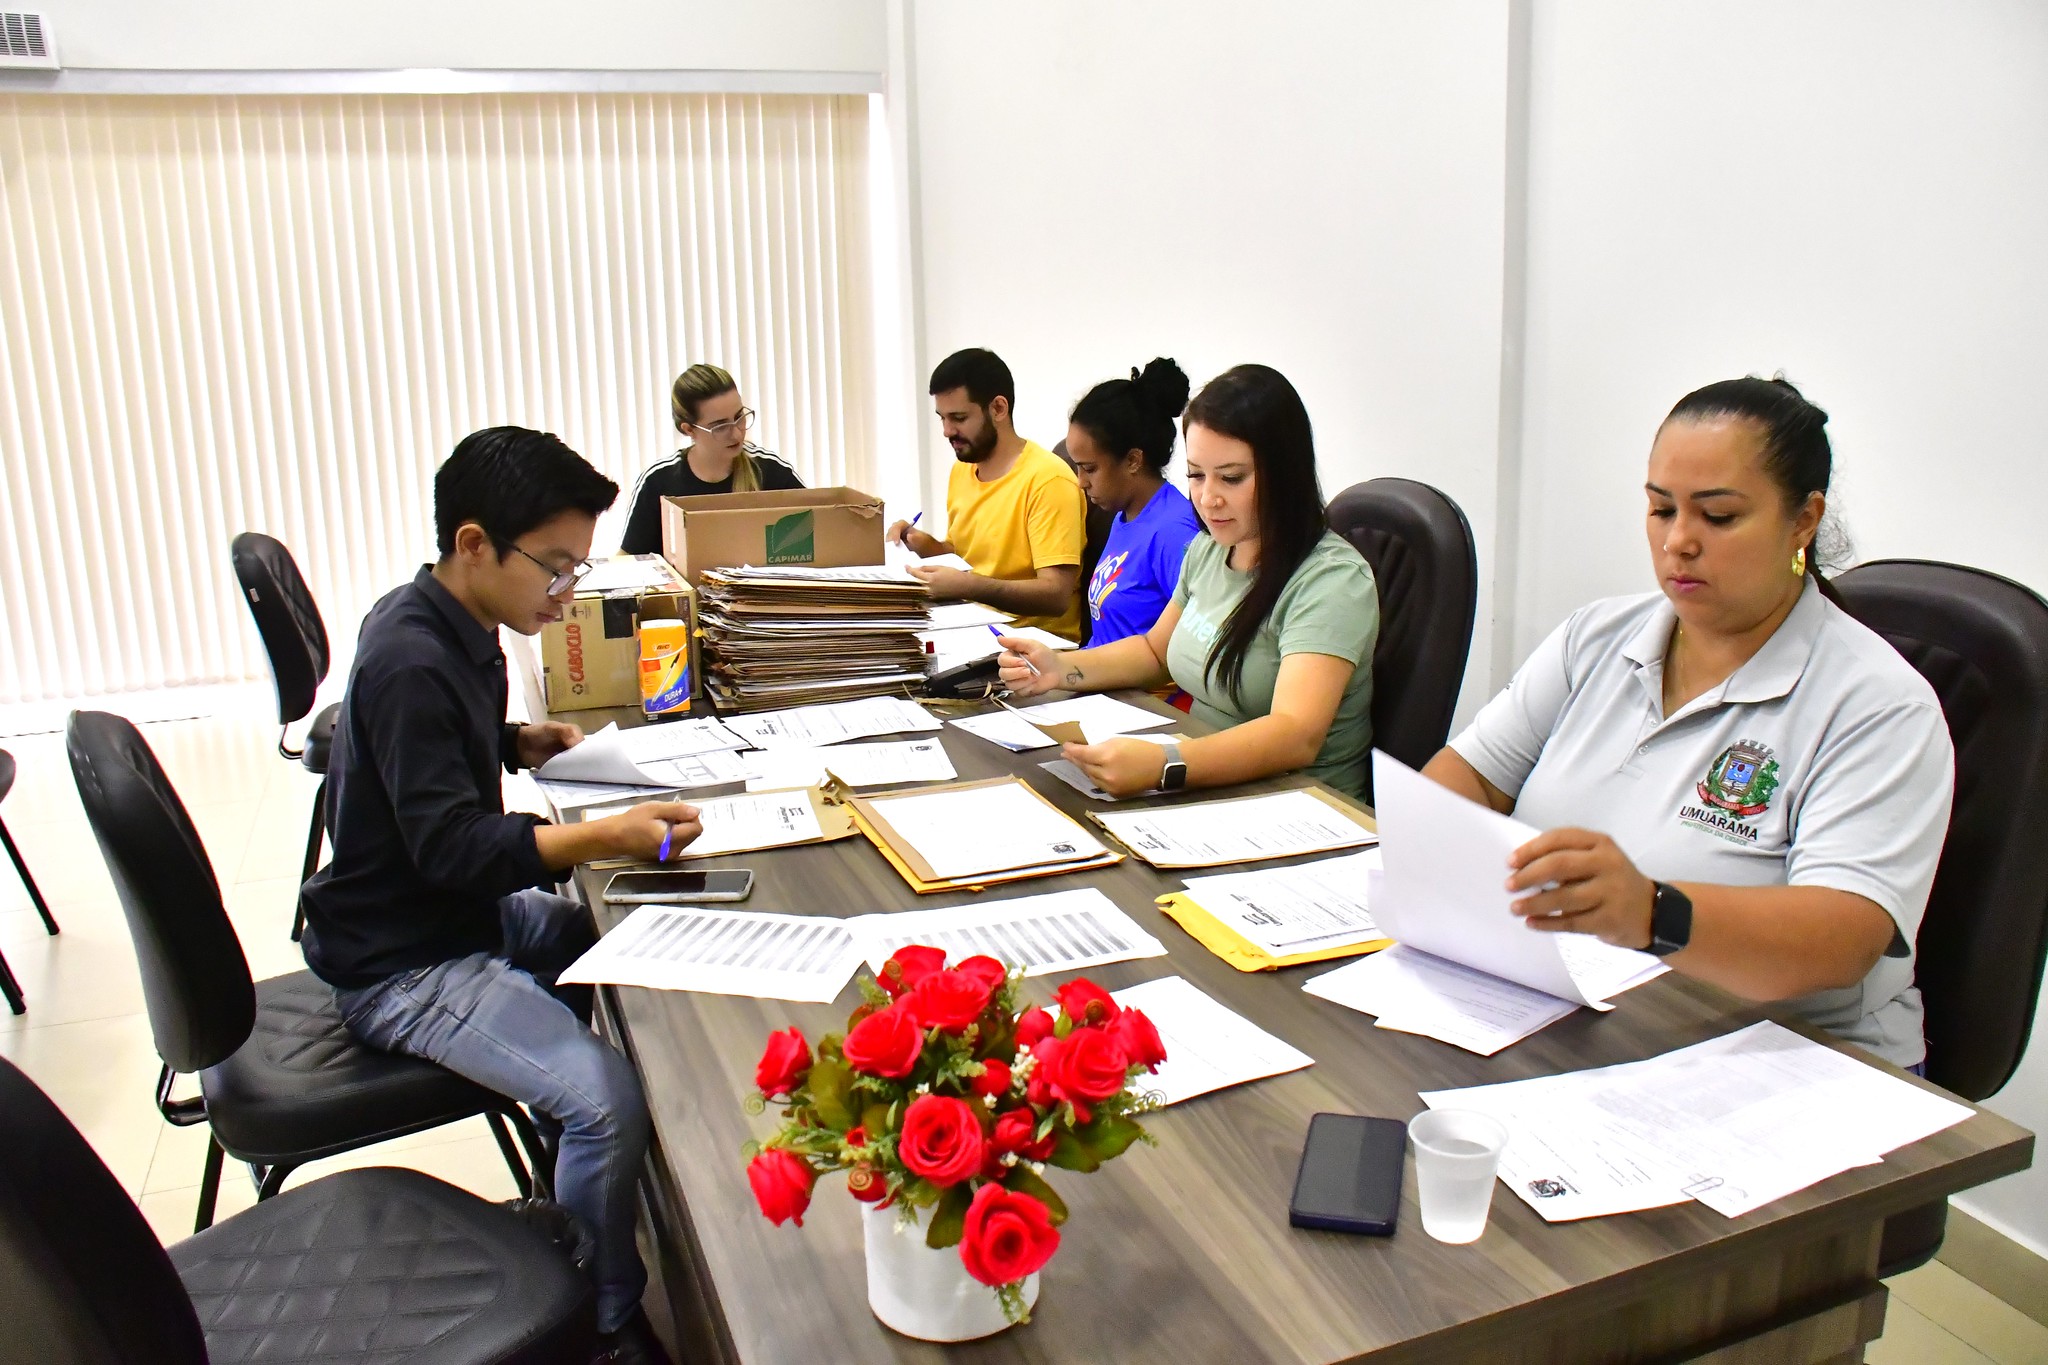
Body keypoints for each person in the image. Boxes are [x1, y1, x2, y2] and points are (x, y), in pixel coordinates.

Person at [299, 427, 700, 1364]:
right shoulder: (410, 659)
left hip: (447, 918)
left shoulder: (446, 621)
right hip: (405, 961)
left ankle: (580, 1191)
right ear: (475, 543)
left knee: (608, 936)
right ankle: (600, 1317)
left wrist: (518, 742)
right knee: (604, 1100)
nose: (565, 592)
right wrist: (598, 834)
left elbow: (432, 768)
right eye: (555, 568)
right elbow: (448, 848)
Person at [1422, 377, 1952, 1070]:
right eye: (1661, 509)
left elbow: (1843, 937)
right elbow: (1465, 776)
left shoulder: (1878, 705)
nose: (1679, 542)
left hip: (1795, 1062)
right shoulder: (1597, 636)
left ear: (1803, 520)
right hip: (1591, 1015)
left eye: (1719, 516)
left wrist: (1651, 912)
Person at [997, 364, 1379, 798]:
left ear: (1285, 472)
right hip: (1205, 775)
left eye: (1231, 478)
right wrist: (1061, 668)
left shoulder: (1331, 581)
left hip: (1298, 806)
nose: (1208, 497)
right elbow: (1154, 650)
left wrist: (1164, 765)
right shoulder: (1211, 547)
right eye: (1197, 474)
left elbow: (1294, 734)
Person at [887, 348, 1087, 639]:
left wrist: (968, 586)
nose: (946, 431)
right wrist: (924, 544)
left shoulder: (1048, 480)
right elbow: (968, 559)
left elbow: (1055, 595)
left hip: (1032, 650)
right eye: (941, 418)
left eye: (958, 417)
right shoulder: (963, 470)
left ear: (998, 409)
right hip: (970, 631)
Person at [1069, 357, 1203, 647]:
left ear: (1132, 460)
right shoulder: (1124, 517)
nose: (1080, 481)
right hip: (1101, 680)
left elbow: (1192, 646)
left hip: (1145, 692)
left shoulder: (1173, 532)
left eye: (1089, 468)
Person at [619, 363, 803, 554]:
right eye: (720, 426)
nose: (736, 433)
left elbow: (816, 531)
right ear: (689, 430)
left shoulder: (771, 471)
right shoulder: (658, 481)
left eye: (739, 416)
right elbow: (628, 562)